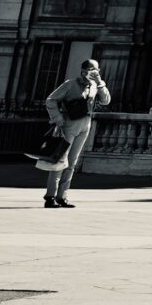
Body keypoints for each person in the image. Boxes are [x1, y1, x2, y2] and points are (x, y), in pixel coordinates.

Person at [39, 57, 110, 206]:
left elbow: (106, 101)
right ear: (83, 71)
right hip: (69, 123)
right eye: (91, 69)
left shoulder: (95, 85)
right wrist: (57, 118)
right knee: (60, 160)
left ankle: (62, 196)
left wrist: (100, 83)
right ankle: (50, 196)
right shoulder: (70, 84)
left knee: (72, 162)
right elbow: (51, 100)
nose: (95, 72)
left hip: (86, 124)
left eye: (97, 69)